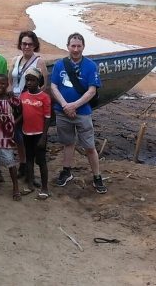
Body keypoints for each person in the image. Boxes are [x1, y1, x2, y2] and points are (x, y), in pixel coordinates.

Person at [50, 32, 107, 194]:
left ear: (83, 47)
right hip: (62, 112)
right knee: (68, 143)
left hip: (82, 113)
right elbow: (54, 86)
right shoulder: (59, 65)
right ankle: (66, 171)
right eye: (72, 46)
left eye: (78, 46)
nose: (75, 49)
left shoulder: (90, 66)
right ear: (67, 46)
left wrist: (73, 106)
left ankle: (97, 176)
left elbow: (91, 90)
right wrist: (64, 105)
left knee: (89, 146)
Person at [9, 30, 49, 181]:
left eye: (30, 44)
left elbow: (44, 85)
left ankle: (31, 168)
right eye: (24, 43)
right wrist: (10, 98)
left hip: (30, 105)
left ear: (35, 45)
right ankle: (23, 163)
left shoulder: (39, 62)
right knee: (18, 136)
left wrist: (33, 101)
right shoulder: (15, 60)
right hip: (15, 105)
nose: (26, 46)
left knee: (30, 136)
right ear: (20, 44)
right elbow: (10, 81)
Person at [0, 73, 22, 200]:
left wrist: (14, 122)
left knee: (10, 161)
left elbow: (21, 111)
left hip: (7, 135)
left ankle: (16, 187)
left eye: (2, 83)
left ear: (7, 84)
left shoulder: (11, 98)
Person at [19, 67, 51, 199]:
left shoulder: (44, 97)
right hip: (26, 133)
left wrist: (43, 137)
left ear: (39, 81)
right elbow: (22, 114)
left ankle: (44, 188)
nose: (29, 83)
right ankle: (30, 184)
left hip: (39, 134)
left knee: (42, 161)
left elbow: (47, 118)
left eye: (32, 80)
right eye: (27, 80)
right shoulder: (23, 95)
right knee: (29, 159)